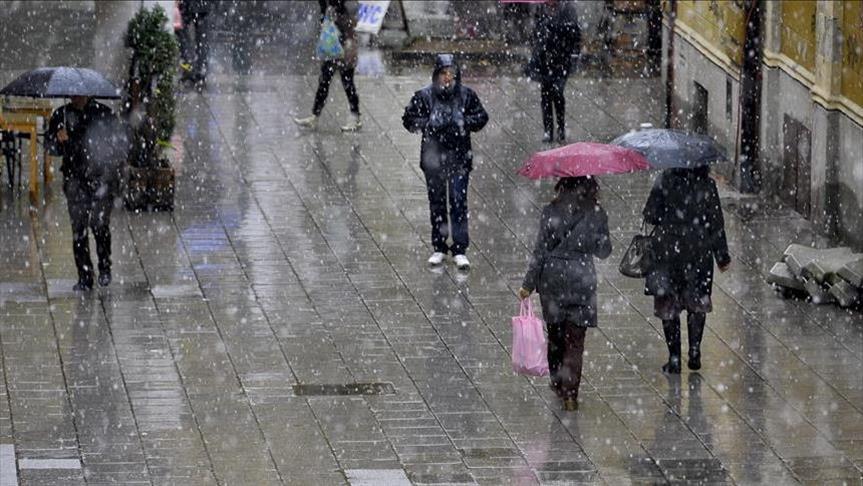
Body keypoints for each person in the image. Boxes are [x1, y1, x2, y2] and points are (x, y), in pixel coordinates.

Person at [518, 177, 611, 410]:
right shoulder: (596, 212)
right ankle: (571, 393)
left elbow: (540, 250)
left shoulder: (551, 210)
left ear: (562, 184)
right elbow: (604, 251)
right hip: (582, 280)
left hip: (553, 279)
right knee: (576, 341)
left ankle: (557, 381)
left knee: (556, 335)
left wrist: (528, 284)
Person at [402, 54, 489, 269]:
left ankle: (460, 248)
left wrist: (463, 122)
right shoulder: (424, 96)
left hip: (459, 158)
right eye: (443, 73)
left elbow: (481, 117)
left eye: (451, 74)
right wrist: (428, 123)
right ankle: (439, 246)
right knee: (437, 202)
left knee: (458, 201)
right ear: (436, 75)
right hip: (434, 159)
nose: (447, 78)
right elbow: (408, 119)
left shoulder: (466, 96)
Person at [642, 166, 731, 374]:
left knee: (669, 304)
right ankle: (694, 350)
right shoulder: (707, 184)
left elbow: (651, 214)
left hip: (667, 250)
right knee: (697, 300)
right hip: (697, 249)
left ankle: (674, 358)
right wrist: (722, 256)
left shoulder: (664, 178)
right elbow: (716, 223)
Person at [47, 96, 125, 291]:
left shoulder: (103, 114)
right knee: (79, 229)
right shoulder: (61, 115)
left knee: (99, 225)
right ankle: (84, 275)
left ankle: (104, 267)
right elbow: (52, 148)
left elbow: (116, 145)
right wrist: (58, 139)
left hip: (101, 177)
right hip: (75, 179)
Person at [294, 0, 362, 132]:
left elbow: (351, 13)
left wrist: (349, 41)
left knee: (347, 80)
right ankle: (315, 115)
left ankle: (355, 116)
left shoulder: (344, 7)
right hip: (332, 39)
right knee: (325, 79)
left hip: (343, 38)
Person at [525, 0, 580, 143]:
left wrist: (556, 28)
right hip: (544, 61)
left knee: (558, 93)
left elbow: (574, 32)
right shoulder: (541, 9)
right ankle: (548, 130)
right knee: (545, 96)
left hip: (561, 60)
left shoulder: (568, 9)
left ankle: (560, 128)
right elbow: (535, 33)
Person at [177, 0, 212, 86]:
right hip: (199, 6)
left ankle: (190, 68)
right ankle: (198, 70)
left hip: (188, 6)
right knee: (201, 39)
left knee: (185, 37)